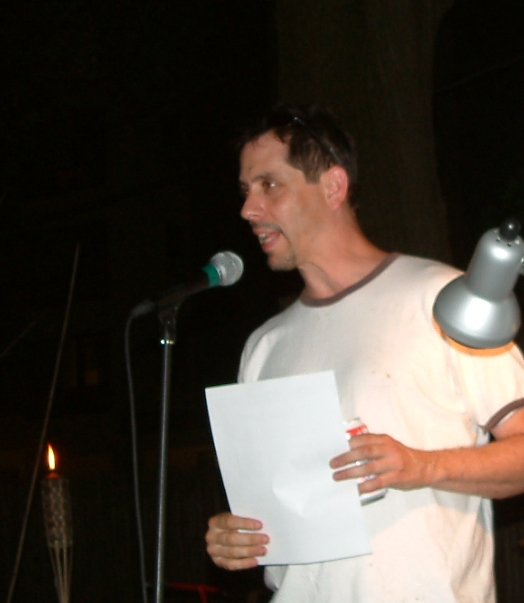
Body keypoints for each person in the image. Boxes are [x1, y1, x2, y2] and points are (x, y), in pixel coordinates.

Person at [205, 104, 524, 602]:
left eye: (269, 185)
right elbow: (277, 513)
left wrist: (421, 466)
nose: (249, 209)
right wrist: (237, 536)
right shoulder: (264, 347)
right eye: (246, 191)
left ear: (333, 186)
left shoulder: (443, 299)